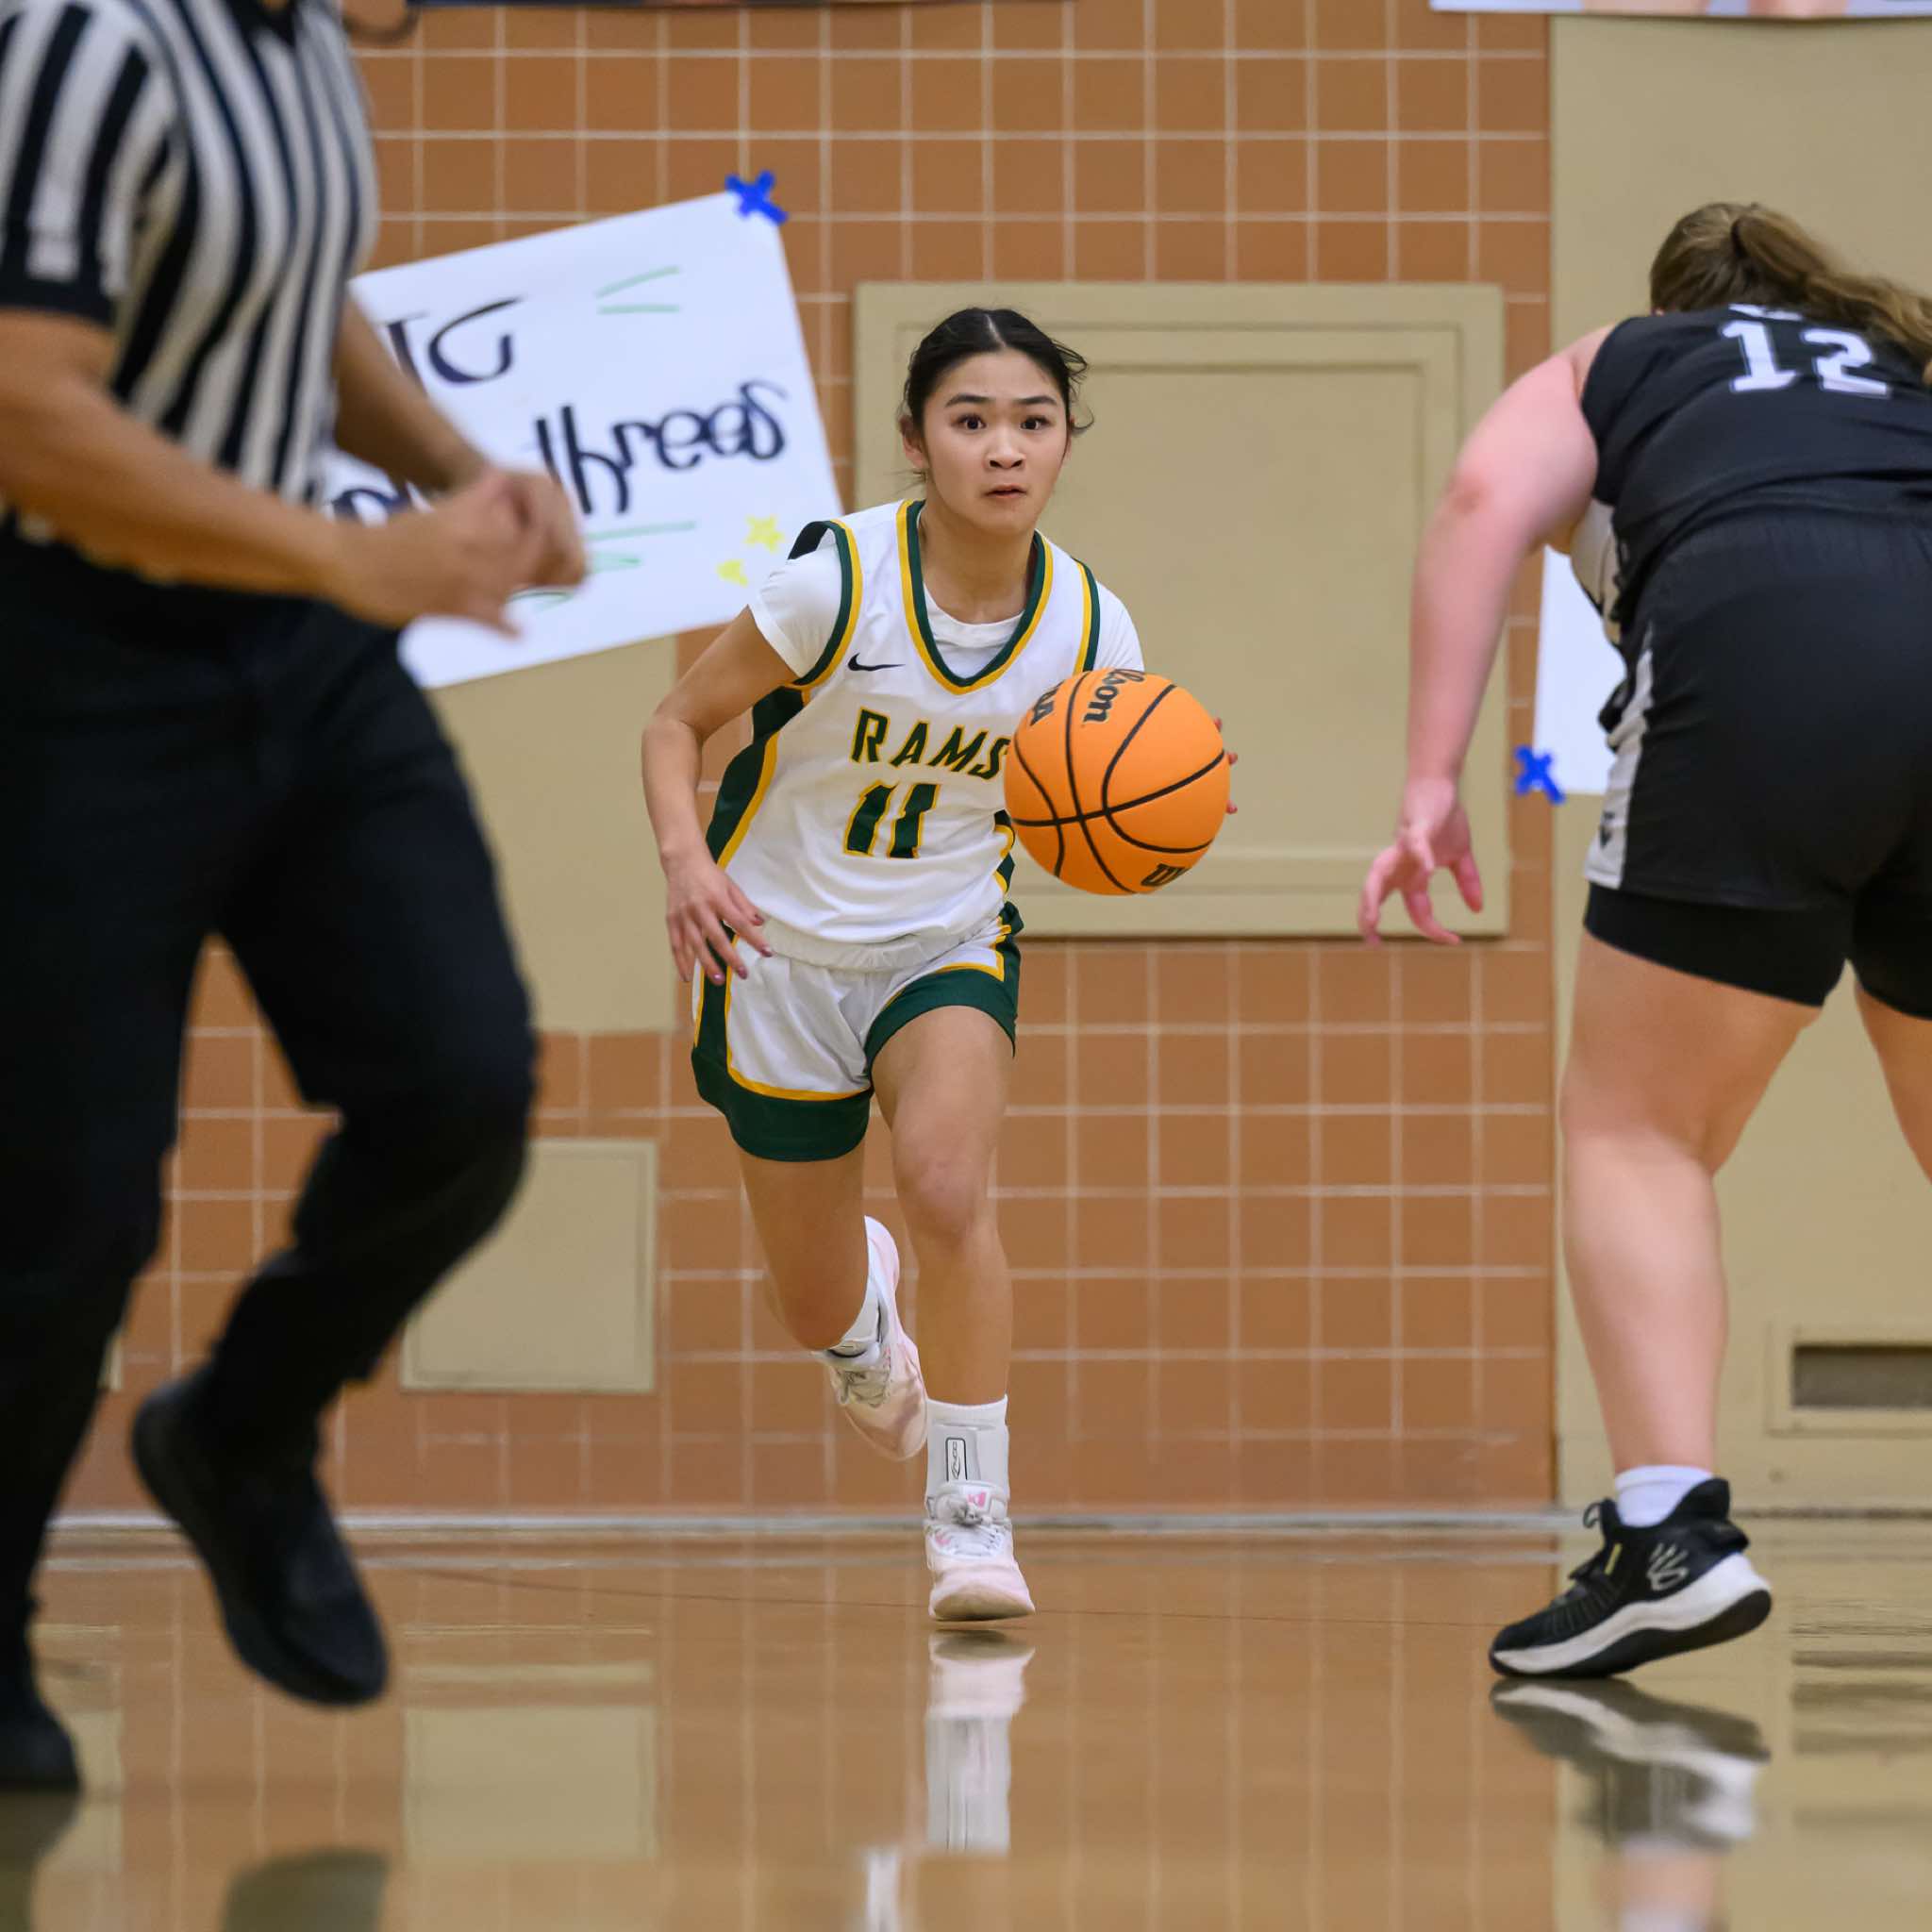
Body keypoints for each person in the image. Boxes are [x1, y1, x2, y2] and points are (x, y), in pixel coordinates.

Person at [0, 0, 582, 1790]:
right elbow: (22, 406)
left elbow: (291, 299)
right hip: (73, 660)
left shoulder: (304, 50)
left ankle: (241, 1430)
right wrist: (348, 550)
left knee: (462, 1082)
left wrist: (460, 473)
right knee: (69, 1204)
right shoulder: (77, 42)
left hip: (302, 657)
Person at [1359, 201, 1932, 1677]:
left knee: (1639, 1130)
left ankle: (1670, 1538)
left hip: (1764, 640)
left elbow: (1480, 503)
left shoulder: (1623, 358)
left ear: (1683, 307)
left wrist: (1429, 780)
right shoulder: (1901, 366)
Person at [641, 309, 1145, 1623]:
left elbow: (1105, 795)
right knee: (812, 1304)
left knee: (946, 1185)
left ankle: (973, 1514)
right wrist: (687, 864)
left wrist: (1154, 818)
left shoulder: (1094, 629)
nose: (1005, 448)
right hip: (773, 950)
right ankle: (863, 1338)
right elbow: (676, 723)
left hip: (944, 940)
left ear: (1066, 441)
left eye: (1033, 421)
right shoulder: (836, 584)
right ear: (918, 441)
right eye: (972, 421)